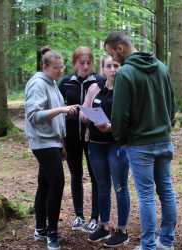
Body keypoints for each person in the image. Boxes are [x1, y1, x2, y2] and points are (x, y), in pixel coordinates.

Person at [104, 31, 177, 250]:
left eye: (111, 54)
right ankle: (166, 242)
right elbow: (172, 106)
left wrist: (120, 137)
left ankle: (148, 246)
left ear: (120, 48)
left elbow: (119, 115)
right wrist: (165, 128)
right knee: (166, 190)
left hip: (140, 145)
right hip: (164, 140)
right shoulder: (161, 67)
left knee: (146, 195)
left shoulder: (125, 73)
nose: (113, 61)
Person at [24, 47, 78, 250]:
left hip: (53, 142)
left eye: (62, 67)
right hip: (42, 142)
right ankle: (52, 234)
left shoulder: (52, 83)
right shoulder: (38, 84)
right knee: (57, 183)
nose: (60, 71)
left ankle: (40, 229)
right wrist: (62, 109)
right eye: (56, 68)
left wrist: (62, 144)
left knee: (45, 184)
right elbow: (34, 115)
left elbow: (57, 121)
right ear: (44, 66)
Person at [80, 55, 130, 248]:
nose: (113, 69)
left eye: (116, 65)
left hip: (117, 144)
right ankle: (104, 224)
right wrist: (90, 117)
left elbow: (131, 120)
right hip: (95, 143)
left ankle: (122, 230)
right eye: (108, 66)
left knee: (120, 186)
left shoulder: (125, 90)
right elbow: (83, 113)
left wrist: (111, 126)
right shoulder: (95, 88)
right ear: (103, 69)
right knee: (102, 186)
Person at [58, 46, 105, 233]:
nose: (85, 66)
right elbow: (57, 109)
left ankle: (95, 217)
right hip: (71, 138)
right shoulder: (65, 83)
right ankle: (79, 216)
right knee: (76, 176)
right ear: (75, 63)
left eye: (88, 62)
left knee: (96, 177)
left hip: (94, 138)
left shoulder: (100, 82)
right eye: (81, 62)